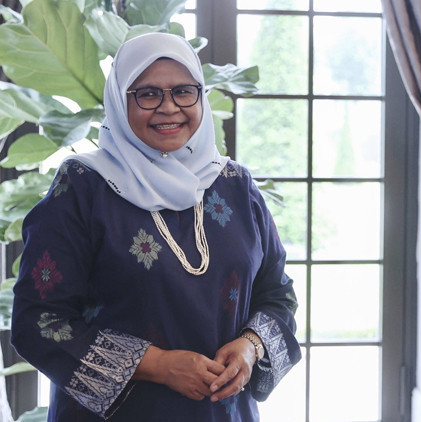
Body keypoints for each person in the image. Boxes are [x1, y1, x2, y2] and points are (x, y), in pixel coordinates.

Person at [10, 32, 300, 421]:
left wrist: (251, 346)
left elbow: (277, 294)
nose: (169, 107)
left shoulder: (236, 185)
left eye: (183, 91)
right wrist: (158, 365)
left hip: (224, 413)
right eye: (147, 94)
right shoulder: (83, 187)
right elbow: (39, 320)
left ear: (200, 96)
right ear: (120, 100)